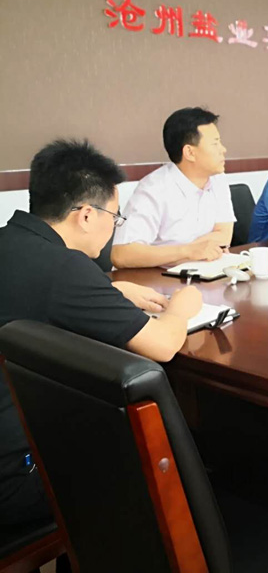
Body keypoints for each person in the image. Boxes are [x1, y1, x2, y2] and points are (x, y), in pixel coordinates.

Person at [0, 140, 201, 535]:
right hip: (21, 476)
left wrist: (111, 289)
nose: (114, 227)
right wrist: (182, 307)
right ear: (87, 215)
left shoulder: (13, 242)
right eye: (115, 216)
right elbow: (162, 345)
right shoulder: (65, 268)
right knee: (162, 453)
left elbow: (40, 294)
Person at [111, 107, 236, 269]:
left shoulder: (217, 178)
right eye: (215, 144)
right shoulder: (154, 188)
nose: (223, 149)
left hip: (200, 272)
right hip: (155, 277)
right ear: (189, 152)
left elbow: (224, 234)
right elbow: (122, 254)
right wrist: (187, 252)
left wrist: (194, 252)